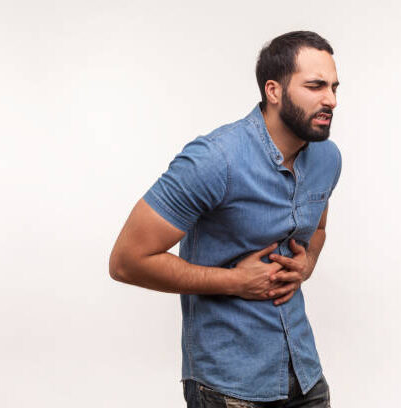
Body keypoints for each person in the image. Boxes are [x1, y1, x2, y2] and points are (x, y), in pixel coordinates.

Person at [109, 30, 341, 408]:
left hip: (305, 376)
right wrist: (235, 281)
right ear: (274, 90)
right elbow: (126, 261)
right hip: (228, 386)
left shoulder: (327, 157)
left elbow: (317, 227)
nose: (330, 99)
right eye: (315, 86)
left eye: (333, 87)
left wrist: (308, 261)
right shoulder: (215, 159)